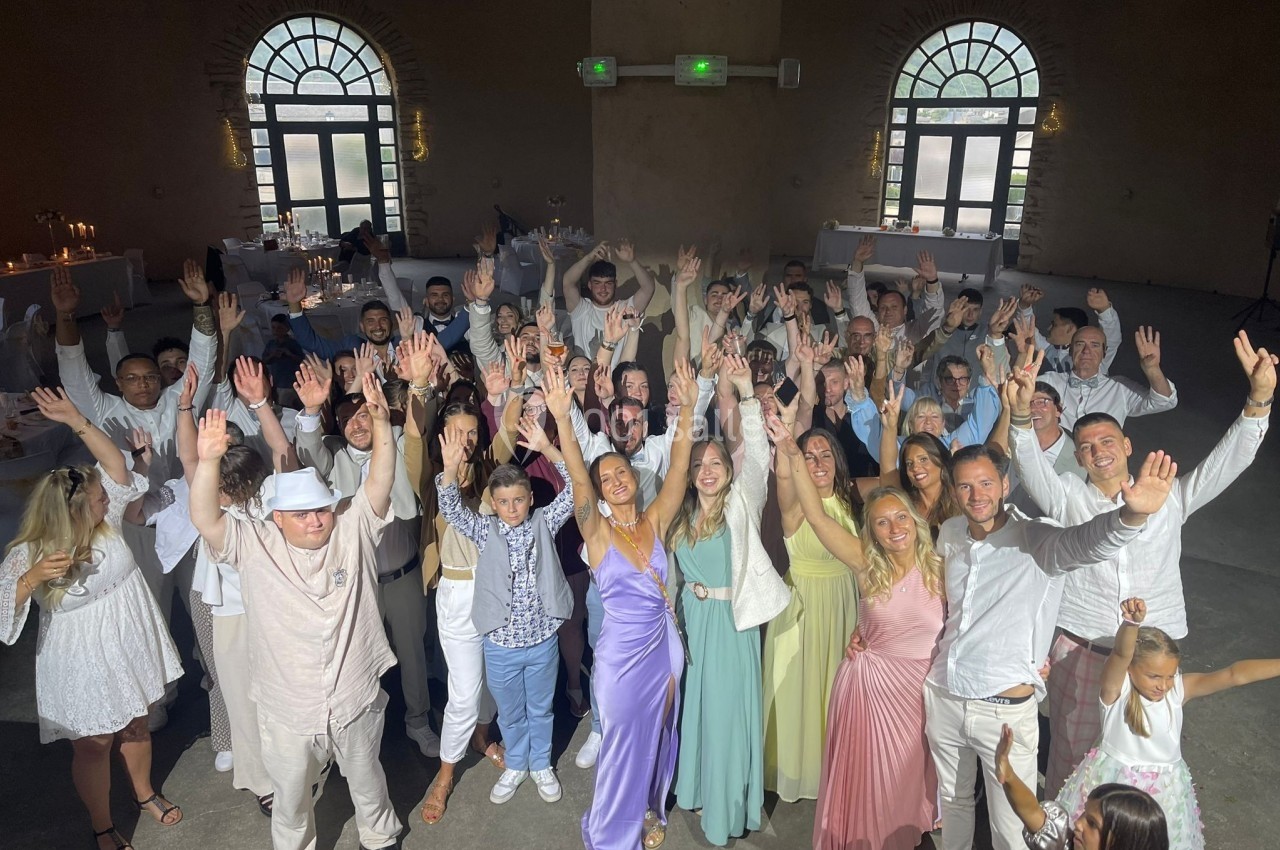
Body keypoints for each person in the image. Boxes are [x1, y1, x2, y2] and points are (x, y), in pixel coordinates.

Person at [1007, 335, 1273, 794]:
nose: (1097, 451)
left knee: (1140, 767)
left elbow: (1226, 464)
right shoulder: (1066, 497)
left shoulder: (1168, 495)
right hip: (1085, 649)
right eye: (1086, 446)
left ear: (1128, 444)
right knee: (1072, 758)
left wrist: (1260, 399)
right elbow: (1030, 465)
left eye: (1107, 440)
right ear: (1079, 456)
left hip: (1151, 657)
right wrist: (1019, 416)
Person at [926, 443, 1177, 850]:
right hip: (944, 695)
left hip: (1003, 711)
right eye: (966, 487)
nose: (977, 496)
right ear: (954, 491)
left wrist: (1131, 516)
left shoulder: (1036, 538)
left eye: (987, 483)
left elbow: (1084, 542)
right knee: (953, 804)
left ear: (1005, 484)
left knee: (1010, 825)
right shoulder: (952, 533)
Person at [189, 375, 403, 850]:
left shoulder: (353, 527)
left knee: (369, 784)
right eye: (301, 514)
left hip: (354, 696)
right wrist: (206, 461)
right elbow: (205, 518)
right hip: (287, 708)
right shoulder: (253, 543)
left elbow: (381, 478)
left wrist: (383, 421)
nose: (314, 520)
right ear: (277, 518)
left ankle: (380, 838)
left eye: (321, 510)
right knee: (289, 799)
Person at [0, 388, 185, 850]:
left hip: (128, 637)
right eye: (100, 497)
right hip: (78, 657)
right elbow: (4, 608)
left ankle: (144, 795)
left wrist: (75, 419)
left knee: (137, 724)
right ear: (76, 508)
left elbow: (118, 467)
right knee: (94, 744)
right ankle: (102, 823)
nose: (110, 496)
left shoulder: (109, 521)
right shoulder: (30, 551)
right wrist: (30, 580)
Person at [772, 400, 946, 850]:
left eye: (901, 518)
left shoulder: (943, 567)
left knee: (909, 776)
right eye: (882, 522)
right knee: (872, 780)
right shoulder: (866, 565)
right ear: (870, 530)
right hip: (867, 691)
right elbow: (816, 515)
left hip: (919, 693)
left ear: (916, 521)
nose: (893, 528)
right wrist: (791, 455)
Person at [564, 359, 698, 850]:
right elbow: (578, 477)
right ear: (599, 493)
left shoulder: (656, 519)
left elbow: (680, 465)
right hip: (620, 660)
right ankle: (611, 836)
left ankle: (647, 805)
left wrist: (690, 405)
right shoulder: (597, 533)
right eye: (607, 478)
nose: (617, 479)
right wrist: (563, 418)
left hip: (663, 649)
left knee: (656, 735)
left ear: (635, 477)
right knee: (621, 746)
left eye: (622, 471)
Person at [668, 354, 790, 846]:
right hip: (693, 622)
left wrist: (743, 394)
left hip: (730, 625)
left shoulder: (744, 501)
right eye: (699, 466)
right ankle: (696, 787)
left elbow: (758, 455)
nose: (707, 472)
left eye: (715, 463)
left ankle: (726, 810)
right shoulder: (680, 514)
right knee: (697, 710)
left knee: (724, 718)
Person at [435, 394, 577, 807]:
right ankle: (517, 764)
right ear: (493, 505)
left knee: (541, 708)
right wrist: (448, 469)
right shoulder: (485, 529)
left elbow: (572, 491)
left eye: (519, 500)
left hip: (541, 641)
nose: (512, 508)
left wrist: (550, 448)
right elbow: (453, 509)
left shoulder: (544, 521)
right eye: (503, 502)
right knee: (511, 712)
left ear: (530, 499)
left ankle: (541, 764)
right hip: (499, 645)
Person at [292, 361, 437, 759]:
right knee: (356, 657)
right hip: (355, 582)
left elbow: (414, 428)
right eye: (346, 419)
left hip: (402, 575)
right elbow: (307, 452)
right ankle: (364, 730)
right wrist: (309, 412)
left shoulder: (396, 442)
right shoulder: (331, 457)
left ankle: (418, 721)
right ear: (336, 427)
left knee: (411, 653)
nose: (357, 425)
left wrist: (412, 389)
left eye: (362, 415)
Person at [1058, 599, 1280, 850]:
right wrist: (1131, 624)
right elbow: (1121, 653)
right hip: (1114, 793)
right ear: (1131, 669)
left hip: (1165, 796)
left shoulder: (1178, 692)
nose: (1163, 685)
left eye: (1170, 676)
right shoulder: (1116, 692)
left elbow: (1234, 674)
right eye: (1154, 676)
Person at [401, 333, 507, 824]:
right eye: (455, 433)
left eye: (472, 433)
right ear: (441, 438)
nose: (464, 442)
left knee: (488, 682)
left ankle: (483, 734)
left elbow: (506, 439)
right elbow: (414, 455)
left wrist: (504, 396)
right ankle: (445, 773)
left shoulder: (490, 472)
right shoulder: (433, 479)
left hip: (497, 594)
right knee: (463, 689)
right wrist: (419, 388)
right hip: (456, 594)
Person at [763, 415, 862, 802]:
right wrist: (788, 448)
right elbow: (786, 484)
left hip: (843, 607)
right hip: (805, 609)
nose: (818, 463)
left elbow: (892, 480)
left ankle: (834, 769)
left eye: (825, 455)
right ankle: (800, 772)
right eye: (809, 456)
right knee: (802, 691)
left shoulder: (849, 498)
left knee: (835, 692)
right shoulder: (797, 508)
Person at [994, 725, 1169, 850]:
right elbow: (1032, 812)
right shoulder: (1065, 844)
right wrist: (1008, 775)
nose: (1078, 823)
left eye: (1092, 823)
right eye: (1084, 814)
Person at [1036, 325, 1176, 430]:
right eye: (1080, 344)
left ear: (1104, 352)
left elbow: (1163, 402)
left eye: (1094, 345)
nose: (1086, 351)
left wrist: (1153, 369)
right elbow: (1016, 391)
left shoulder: (1120, 387)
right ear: (1071, 349)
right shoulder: (1050, 381)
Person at [562, 240, 658, 363]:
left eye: (608, 283)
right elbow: (568, 282)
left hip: (617, 380)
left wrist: (632, 261)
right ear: (590, 285)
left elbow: (648, 288)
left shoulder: (625, 309)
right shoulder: (581, 310)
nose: (603, 289)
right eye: (597, 283)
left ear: (615, 284)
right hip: (584, 379)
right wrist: (589, 257)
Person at [844, 236, 944, 344]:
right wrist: (857, 262)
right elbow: (857, 301)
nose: (888, 311)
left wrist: (932, 280)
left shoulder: (917, 331)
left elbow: (934, 312)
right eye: (883, 307)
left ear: (905, 310)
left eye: (894, 307)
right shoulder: (871, 329)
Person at [1017, 286, 1122, 376]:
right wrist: (1025, 306)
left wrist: (1105, 310)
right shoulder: (1049, 349)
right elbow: (1028, 331)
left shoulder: (1092, 356)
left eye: (1054, 325)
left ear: (1070, 328)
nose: (1048, 328)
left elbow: (1111, 339)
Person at [262, 313, 305, 395]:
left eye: (279, 328)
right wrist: (272, 355)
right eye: (273, 328)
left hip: (291, 384)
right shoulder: (271, 344)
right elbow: (264, 361)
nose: (276, 330)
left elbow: (301, 360)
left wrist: (289, 354)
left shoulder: (293, 343)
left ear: (287, 328)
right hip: (275, 383)